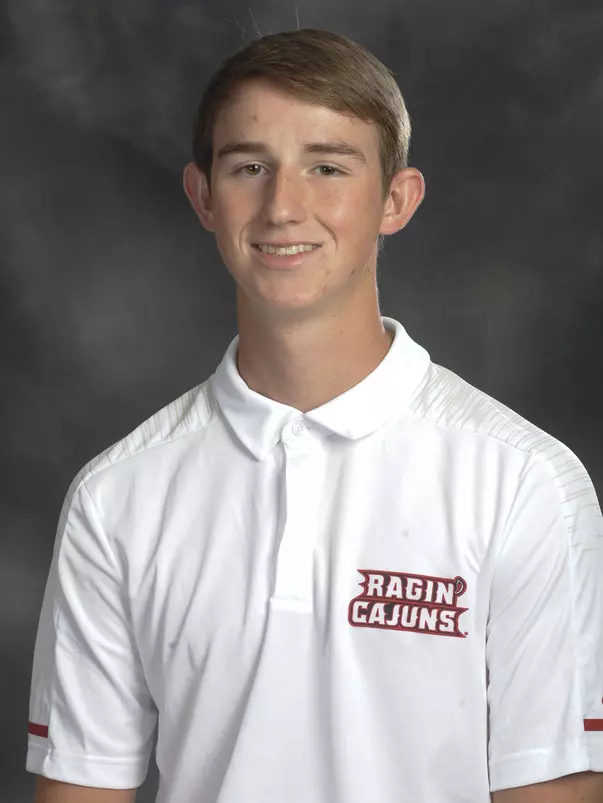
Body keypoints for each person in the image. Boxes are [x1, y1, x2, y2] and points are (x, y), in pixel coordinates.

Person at [27, 27, 603, 803]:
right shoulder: (117, 496)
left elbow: (553, 790)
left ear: (394, 200)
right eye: (249, 168)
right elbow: (82, 790)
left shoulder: (524, 483)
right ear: (203, 196)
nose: (282, 206)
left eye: (326, 167)